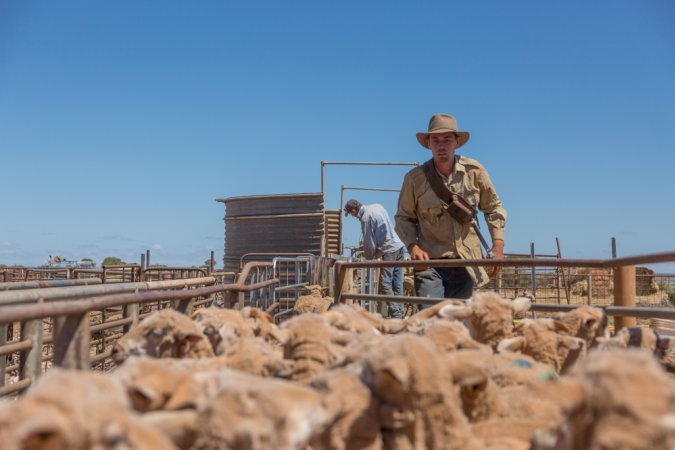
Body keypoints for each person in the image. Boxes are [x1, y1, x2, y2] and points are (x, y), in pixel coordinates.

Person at [395, 113, 506, 303]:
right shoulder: (414, 179)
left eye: (447, 139)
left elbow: (493, 208)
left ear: (457, 142)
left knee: (457, 320)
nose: (441, 145)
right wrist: (413, 247)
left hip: (465, 262)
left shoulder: (474, 171)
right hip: (429, 263)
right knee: (431, 316)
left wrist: (498, 245)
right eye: (435, 140)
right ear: (428, 144)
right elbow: (403, 218)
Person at [344, 199, 406, 318]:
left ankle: (396, 314)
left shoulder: (365, 218)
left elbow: (370, 245)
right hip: (398, 246)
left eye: (351, 214)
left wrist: (367, 258)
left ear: (353, 211)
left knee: (386, 284)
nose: (352, 216)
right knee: (397, 283)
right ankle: (400, 312)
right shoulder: (377, 206)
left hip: (389, 250)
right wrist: (363, 248)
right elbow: (381, 232)